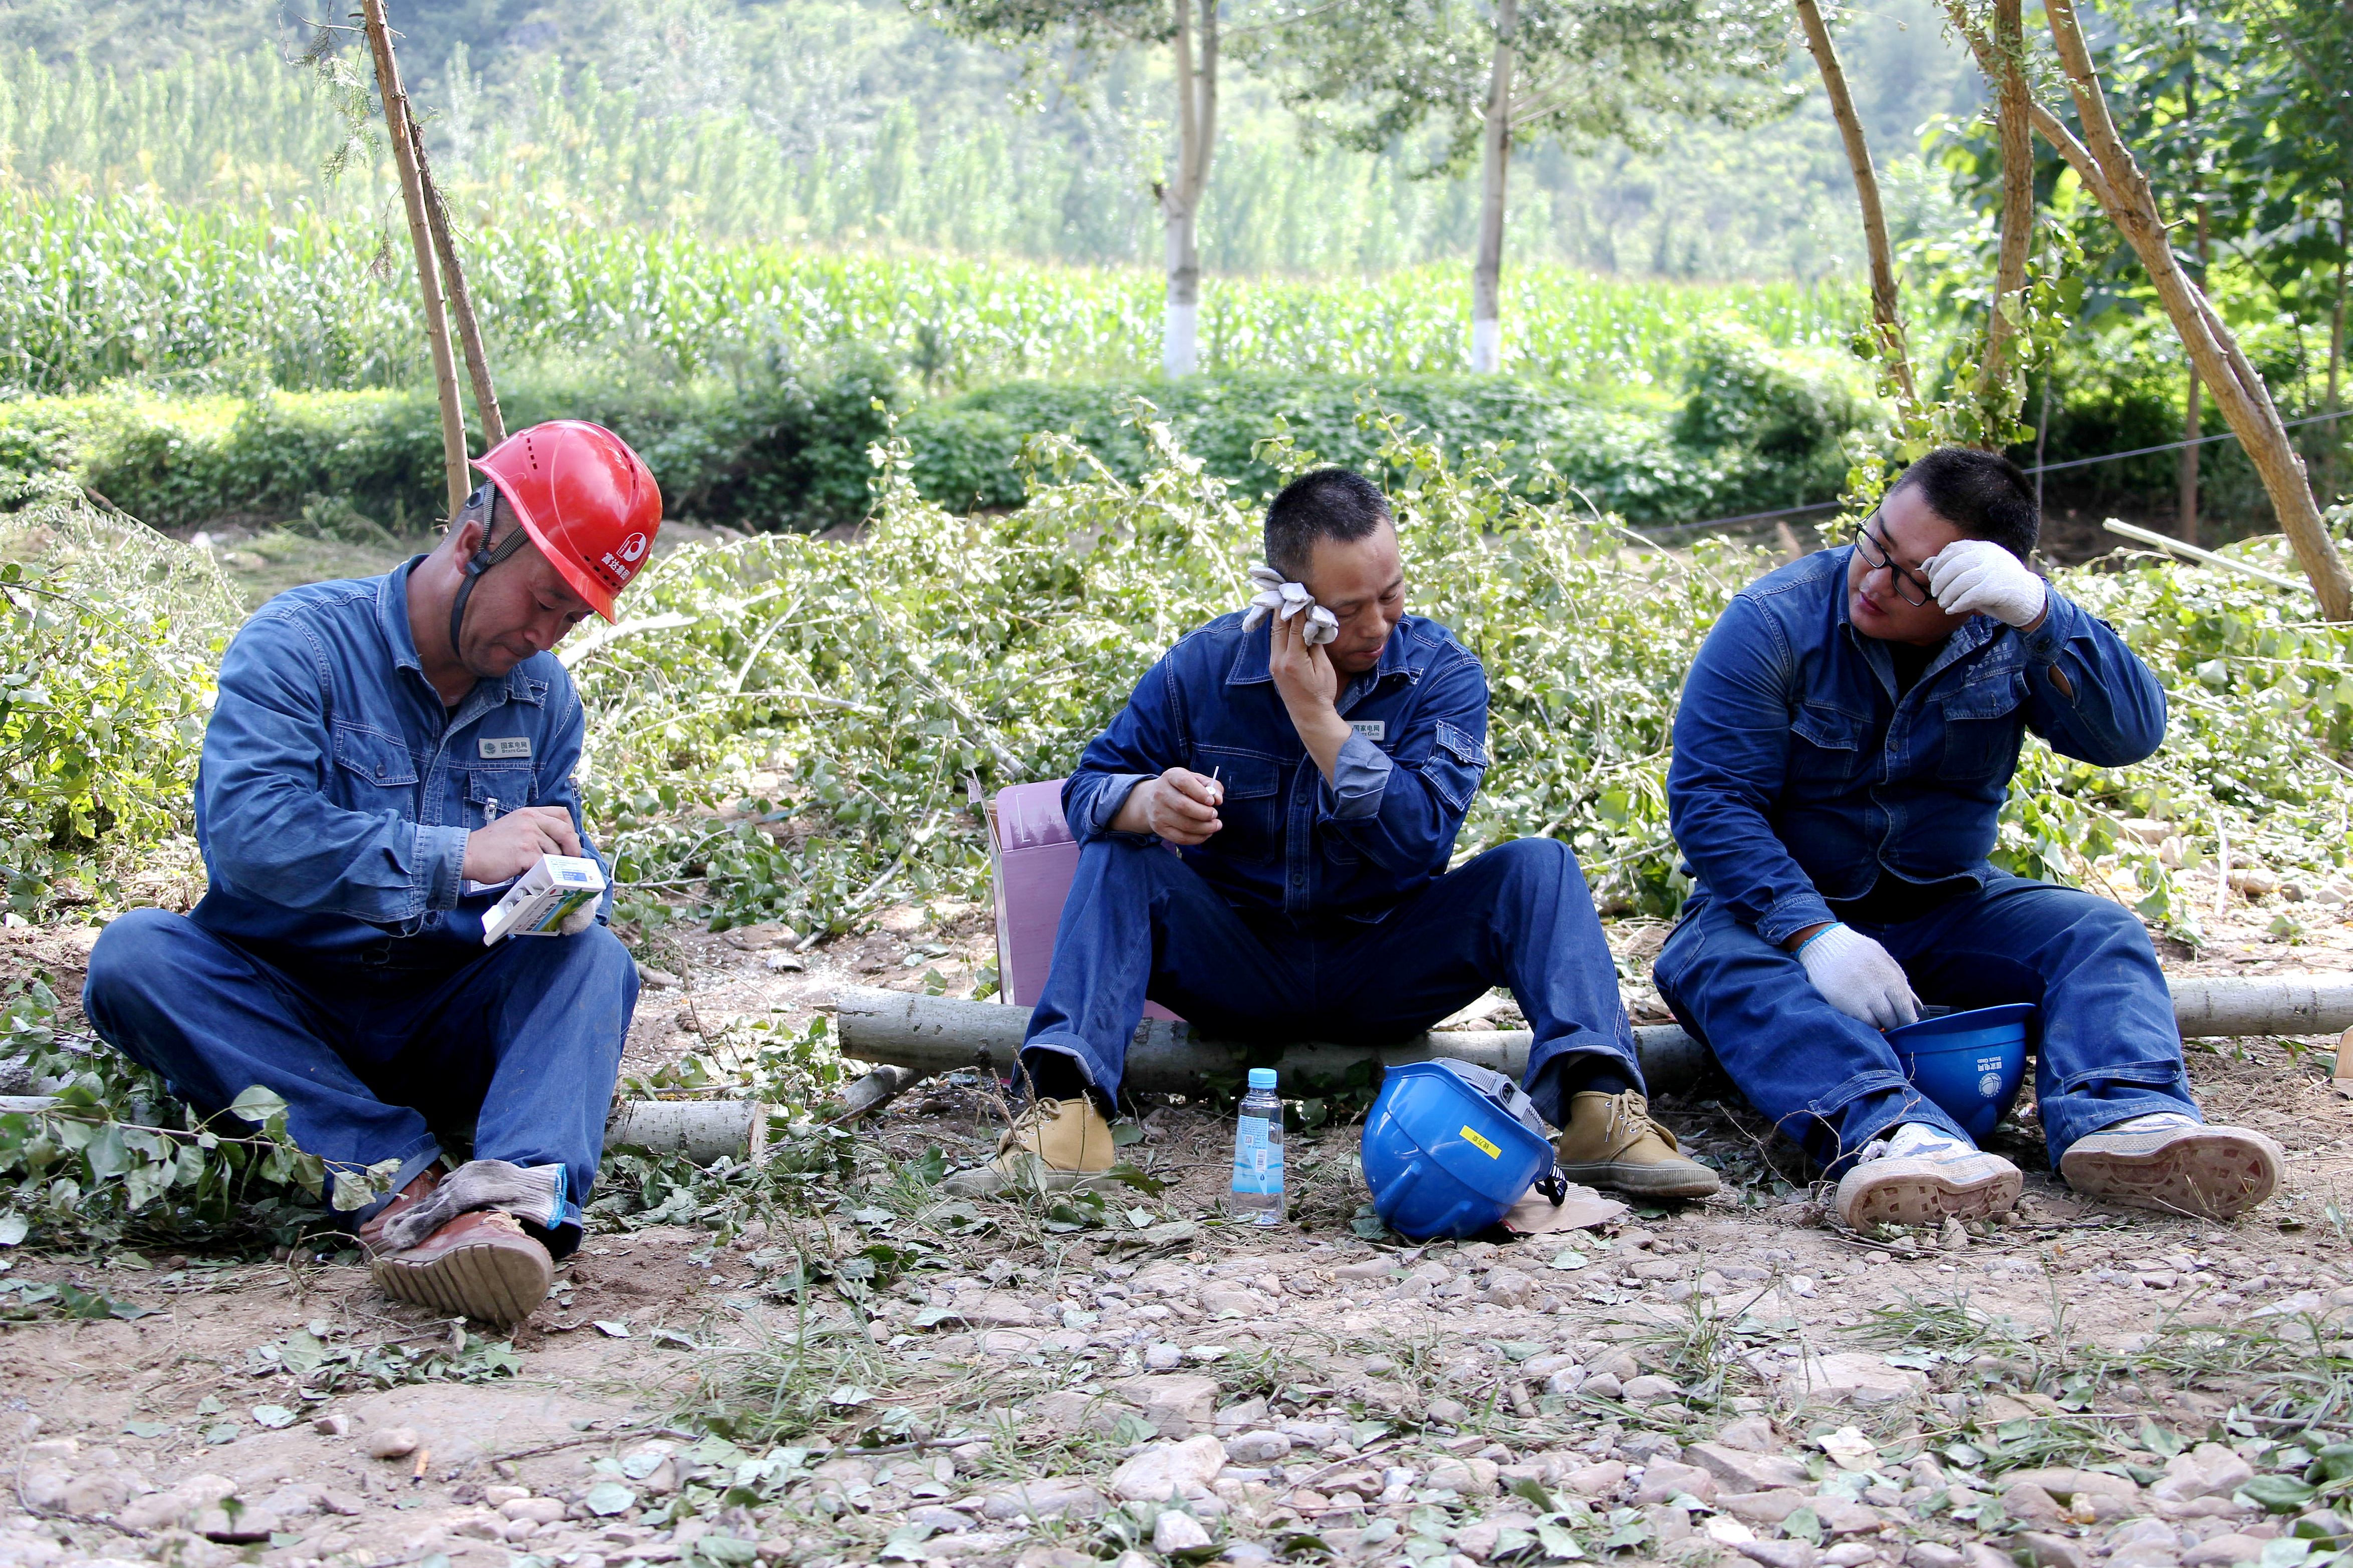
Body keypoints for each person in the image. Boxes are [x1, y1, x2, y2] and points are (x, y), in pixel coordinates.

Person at [947, 468, 1717, 1202]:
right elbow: (1086, 788)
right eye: (1348, 611)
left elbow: (1417, 842)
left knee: (1538, 868)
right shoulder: (1203, 668)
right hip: (1235, 965)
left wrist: (1318, 718)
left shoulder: (1440, 674)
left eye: (1391, 595)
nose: (1377, 625)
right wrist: (1146, 802)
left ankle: (1598, 1112)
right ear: (1288, 600)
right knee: (1119, 851)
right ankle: (1069, 1123)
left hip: (1384, 962)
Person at [82, 421, 663, 1323]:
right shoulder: (301, 643)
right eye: (541, 600)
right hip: (281, 1012)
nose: (546, 635)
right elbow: (247, 834)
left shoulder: (545, 698)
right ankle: (400, 1181)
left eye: (572, 618)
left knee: (595, 962)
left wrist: (571, 886)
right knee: (133, 957)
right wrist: (458, 855)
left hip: (440, 1015)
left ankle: (504, 1215)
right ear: (474, 543)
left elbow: (558, 864)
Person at [1654, 447, 2280, 1229]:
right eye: (1874, 542)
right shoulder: (1773, 621)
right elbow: (1712, 802)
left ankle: (2126, 1123)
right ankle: (1896, 1136)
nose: (1874, 581)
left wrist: (2044, 615)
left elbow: (2128, 735)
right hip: (1771, 919)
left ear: (1973, 589)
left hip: (1944, 902)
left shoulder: (2009, 625)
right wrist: (1814, 933)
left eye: (1914, 577)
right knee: (1711, 962)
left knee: (2096, 931)